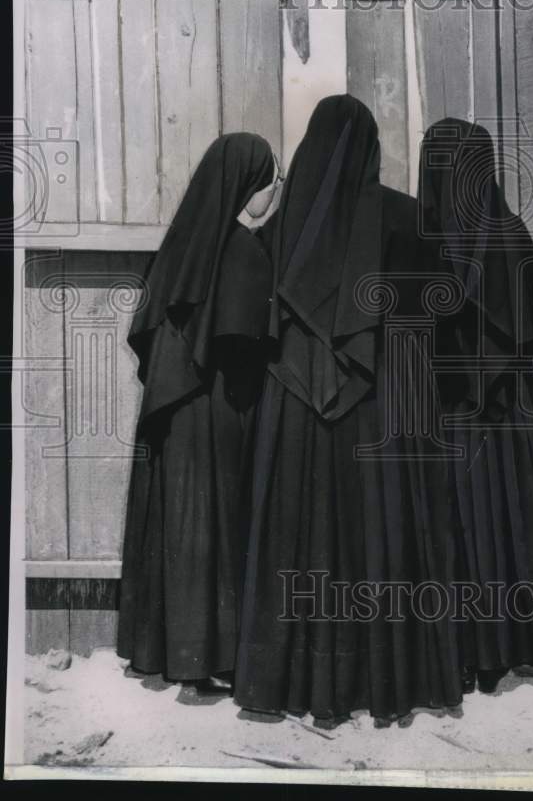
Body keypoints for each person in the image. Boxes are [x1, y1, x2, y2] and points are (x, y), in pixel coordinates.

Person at [233, 94, 462, 724]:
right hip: (386, 405)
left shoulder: (275, 229)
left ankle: (286, 682)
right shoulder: (407, 218)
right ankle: (387, 681)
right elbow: (437, 318)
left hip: (294, 410)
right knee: (380, 533)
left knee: (296, 532)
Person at [118, 133, 281, 688]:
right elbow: (247, 345)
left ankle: (171, 653)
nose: (273, 193)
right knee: (215, 527)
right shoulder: (242, 251)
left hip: (173, 408)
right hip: (215, 409)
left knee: (180, 527)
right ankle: (214, 659)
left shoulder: (183, 244)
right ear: (247, 185)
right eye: (270, 181)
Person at [418, 118, 533, 693]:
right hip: (508, 411)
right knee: (512, 516)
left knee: (450, 520)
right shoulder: (508, 229)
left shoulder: (415, 233)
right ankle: (515, 644)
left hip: (440, 408)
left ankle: (454, 649)